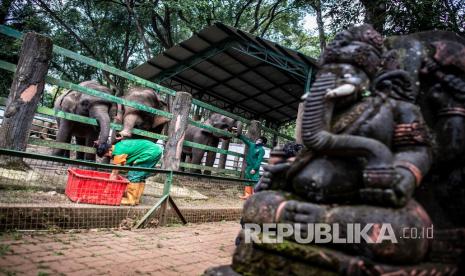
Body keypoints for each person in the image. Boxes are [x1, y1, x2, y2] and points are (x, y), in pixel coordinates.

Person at [101, 139, 163, 206]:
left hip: (150, 152)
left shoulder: (117, 152)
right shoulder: (119, 145)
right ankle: (136, 199)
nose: (109, 157)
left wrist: (106, 191)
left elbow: (114, 173)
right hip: (156, 150)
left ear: (109, 150)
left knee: (134, 175)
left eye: (107, 155)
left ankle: (131, 200)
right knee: (141, 176)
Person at [238, 134, 267, 200]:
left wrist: (255, 169)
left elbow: (259, 161)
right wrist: (238, 134)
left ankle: (255, 197)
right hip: (248, 166)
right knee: (247, 180)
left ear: (263, 143)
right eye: (258, 139)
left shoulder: (261, 150)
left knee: (255, 180)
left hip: (255, 168)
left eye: (260, 140)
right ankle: (247, 195)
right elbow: (245, 140)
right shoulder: (252, 145)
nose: (258, 141)